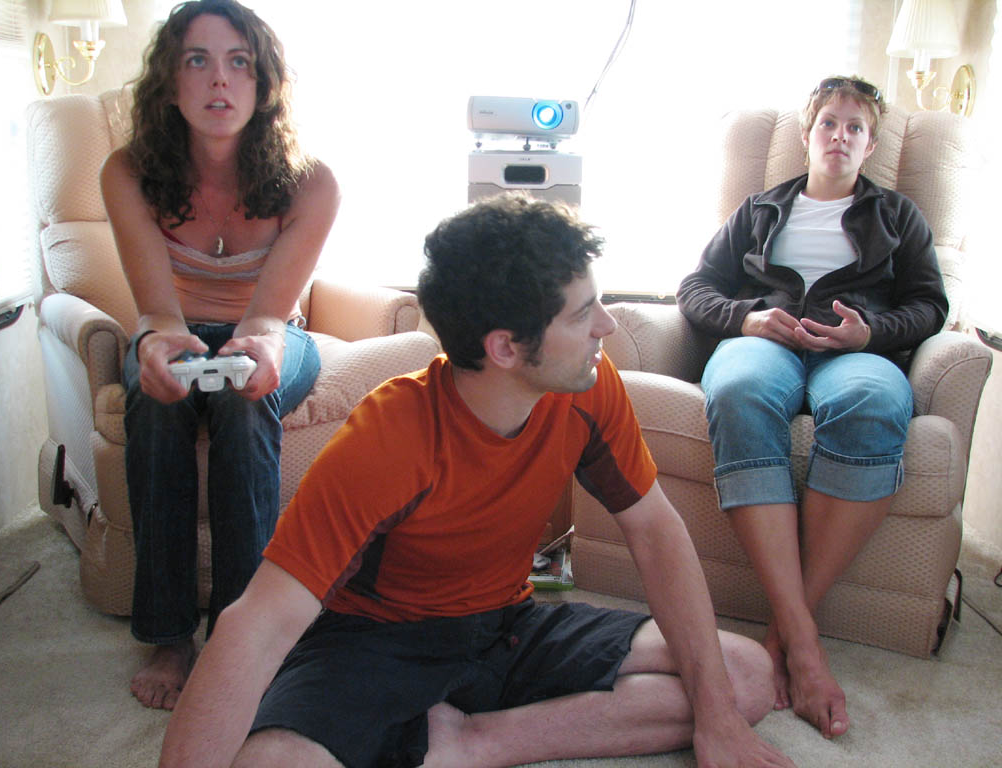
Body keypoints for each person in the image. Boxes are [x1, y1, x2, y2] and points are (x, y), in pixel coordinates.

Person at [157, 195, 795, 768]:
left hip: (508, 624)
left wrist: (716, 721)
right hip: (378, 642)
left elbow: (656, 534)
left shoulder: (590, 387)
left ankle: (475, 743)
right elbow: (259, 625)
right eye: (581, 315)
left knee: (742, 678)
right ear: (505, 349)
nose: (607, 325)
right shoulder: (389, 437)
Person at [677, 76, 948, 740]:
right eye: (829, 123)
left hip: (854, 351)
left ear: (870, 144)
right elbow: (695, 287)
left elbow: (931, 305)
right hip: (765, 345)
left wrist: (870, 334)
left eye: (855, 128)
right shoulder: (760, 209)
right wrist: (748, 316)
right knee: (736, 390)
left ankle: (783, 634)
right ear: (807, 135)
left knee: (874, 401)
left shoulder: (898, 216)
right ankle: (804, 640)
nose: (840, 136)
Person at [100, 0, 339, 711]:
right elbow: (156, 312)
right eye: (197, 60)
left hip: (269, 332)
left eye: (239, 62)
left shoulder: (312, 182)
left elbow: (269, 316)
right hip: (175, 324)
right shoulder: (128, 172)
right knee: (153, 397)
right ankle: (169, 635)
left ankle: (244, 628)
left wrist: (258, 348)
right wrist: (158, 345)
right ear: (169, 83)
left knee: (245, 395)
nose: (219, 81)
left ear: (265, 83)